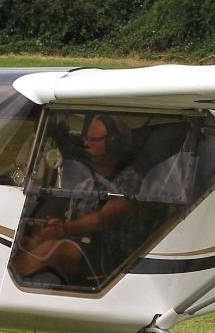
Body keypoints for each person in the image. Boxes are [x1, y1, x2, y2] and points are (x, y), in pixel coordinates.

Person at [10, 114, 140, 286]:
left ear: (115, 143)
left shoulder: (129, 180)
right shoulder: (86, 184)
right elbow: (66, 215)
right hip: (82, 246)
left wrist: (64, 229)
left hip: (114, 256)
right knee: (25, 243)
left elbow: (103, 220)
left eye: (94, 139)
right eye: (86, 138)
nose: (86, 143)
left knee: (54, 249)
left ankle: (7, 279)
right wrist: (47, 228)